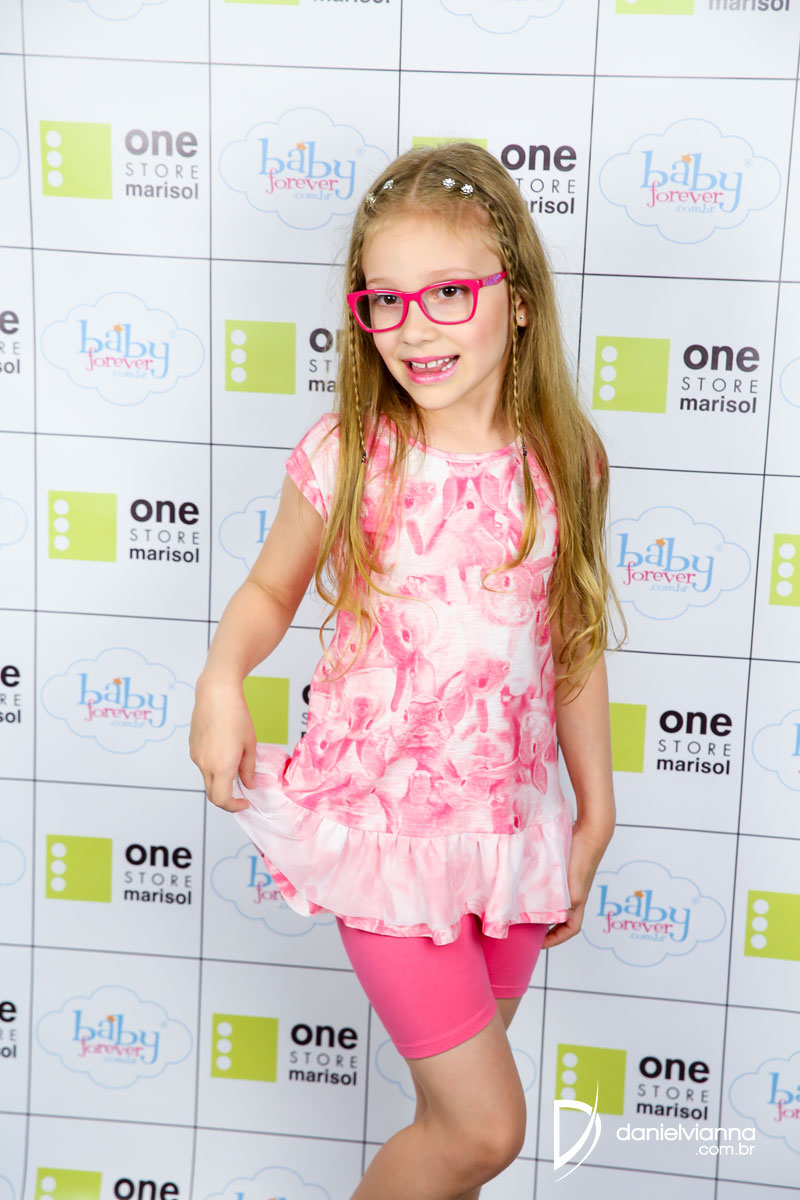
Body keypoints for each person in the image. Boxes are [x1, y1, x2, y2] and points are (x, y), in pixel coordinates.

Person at [190, 142, 620, 1200]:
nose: (415, 329)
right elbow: (269, 592)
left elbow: (570, 640)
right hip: (385, 834)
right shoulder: (349, 453)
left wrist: (593, 811)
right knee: (483, 1130)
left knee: (451, 1144)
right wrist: (221, 678)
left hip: (510, 836)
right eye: (385, 301)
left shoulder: (567, 459)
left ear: (518, 300)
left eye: (448, 294)